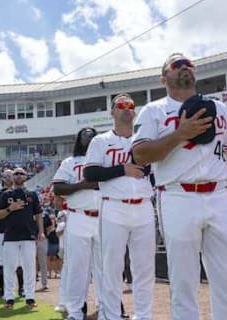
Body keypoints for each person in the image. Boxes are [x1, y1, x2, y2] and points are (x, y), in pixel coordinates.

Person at [132, 53, 227, 320]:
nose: (184, 67)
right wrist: (181, 133)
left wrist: (218, 177)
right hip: (177, 196)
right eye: (176, 65)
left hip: (217, 195)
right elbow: (140, 154)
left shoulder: (219, 107)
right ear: (164, 78)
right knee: (184, 280)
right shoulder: (154, 110)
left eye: (188, 64)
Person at [85, 93, 155, 320]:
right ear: (112, 111)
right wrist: (122, 169)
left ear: (134, 111)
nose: (126, 108)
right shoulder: (101, 141)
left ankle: (143, 315)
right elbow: (90, 173)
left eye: (130, 105)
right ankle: (111, 315)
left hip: (144, 206)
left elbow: (156, 171)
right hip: (113, 207)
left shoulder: (145, 140)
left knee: (144, 268)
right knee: (112, 267)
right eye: (121, 105)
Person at [52, 127, 104, 320]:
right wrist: (83, 185)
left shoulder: (104, 159)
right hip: (78, 216)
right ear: (78, 140)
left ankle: (105, 309)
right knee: (77, 268)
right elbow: (58, 187)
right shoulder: (70, 162)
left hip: (103, 217)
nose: (88, 138)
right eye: (84, 135)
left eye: (92, 136)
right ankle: (75, 312)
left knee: (105, 268)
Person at [0, 167, 45, 309]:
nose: (18, 175)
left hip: (28, 236)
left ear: (25, 176)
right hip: (10, 236)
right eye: (15, 174)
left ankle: (30, 297)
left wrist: (41, 231)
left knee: (29, 267)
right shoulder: (5, 195)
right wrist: (11, 208)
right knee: (9, 267)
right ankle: (9, 298)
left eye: (20, 173)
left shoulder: (32, 195)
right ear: (12, 177)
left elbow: (39, 214)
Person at [0, 170, 24, 299]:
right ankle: (2, 289)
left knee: (19, 260)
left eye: (12, 176)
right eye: (8, 176)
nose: (10, 178)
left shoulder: (22, 192)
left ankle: (21, 288)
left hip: (18, 230)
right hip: (2, 230)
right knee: (2, 260)